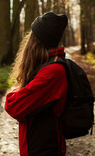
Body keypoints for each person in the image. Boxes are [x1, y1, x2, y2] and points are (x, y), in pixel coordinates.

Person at [5, 12, 69, 156]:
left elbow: (13, 105)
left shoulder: (53, 71)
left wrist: (15, 92)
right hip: (34, 145)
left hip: (45, 148)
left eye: (31, 36)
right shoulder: (44, 66)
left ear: (36, 41)